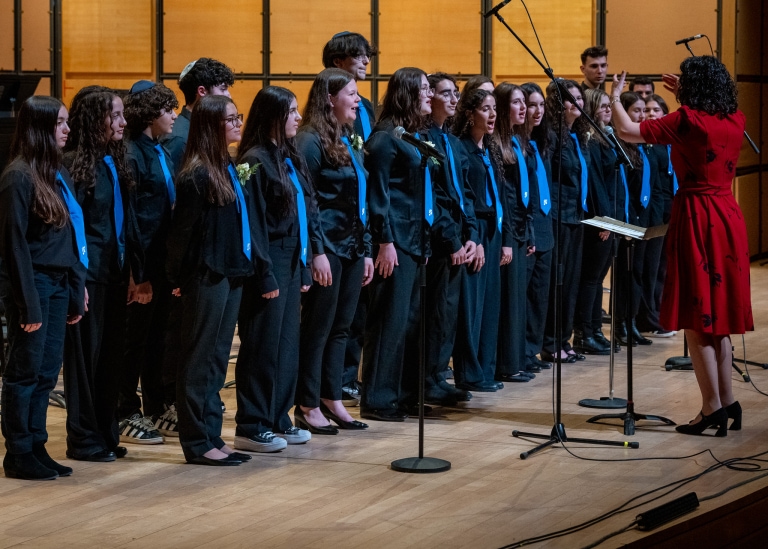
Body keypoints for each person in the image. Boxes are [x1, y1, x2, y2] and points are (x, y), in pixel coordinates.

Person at [610, 56, 753, 436]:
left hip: (698, 216)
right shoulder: (735, 118)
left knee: (696, 317)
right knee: (719, 319)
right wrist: (689, 94)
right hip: (728, 215)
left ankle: (710, 408)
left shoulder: (687, 120)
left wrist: (614, 98)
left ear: (690, 88)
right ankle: (727, 400)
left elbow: (626, 130)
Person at [166, 95, 258, 465]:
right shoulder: (197, 174)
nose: (238, 123)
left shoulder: (226, 165)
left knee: (218, 360)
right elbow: (181, 234)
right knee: (199, 358)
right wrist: (179, 277)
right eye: (231, 118)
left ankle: (212, 434)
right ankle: (195, 441)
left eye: (238, 116)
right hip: (206, 276)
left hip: (231, 272)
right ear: (211, 126)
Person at [0, 96, 86, 480]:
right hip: (32, 283)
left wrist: (75, 286)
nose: (67, 129)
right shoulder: (17, 176)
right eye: (60, 123)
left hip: (57, 282)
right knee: (24, 372)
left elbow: (69, 235)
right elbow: (13, 246)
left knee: (48, 372)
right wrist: (27, 303)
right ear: (39, 127)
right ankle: (18, 452)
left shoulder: (55, 172)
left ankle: (37, 444)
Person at [234, 86, 316, 450]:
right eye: (291, 112)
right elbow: (252, 224)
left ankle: (278, 417)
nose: (298, 117)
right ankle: (252, 424)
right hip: (268, 263)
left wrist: (305, 265)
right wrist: (264, 272)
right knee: (262, 346)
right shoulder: (254, 160)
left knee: (285, 347)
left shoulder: (287, 155)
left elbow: (303, 213)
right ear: (272, 117)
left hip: (292, 260)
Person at [62, 90, 139, 462]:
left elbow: (123, 225)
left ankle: (106, 433)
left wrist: (133, 274)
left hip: (114, 274)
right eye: (116, 116)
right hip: (88, 278)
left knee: (110, 359)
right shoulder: (72, 165)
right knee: (85, 362)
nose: (123, 122)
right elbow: (71, 230)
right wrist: (77, 282)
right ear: (95, 120)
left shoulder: (113, 160)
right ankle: (82, 438)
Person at [360, 67, 441, 420]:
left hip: (415, 240)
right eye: (424, 88)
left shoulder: (409, 136)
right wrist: (384, 240)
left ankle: (405, 394)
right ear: (407, 93)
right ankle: (378, 398)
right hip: (394, 241)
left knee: (410, 322)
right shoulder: (384, 139)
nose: (430, 94)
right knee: (388, 323)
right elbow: (378, 195)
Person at [294, 68, 373, 433]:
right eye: (351, 94)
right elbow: (307, 201)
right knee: (318, 329)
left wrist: (367, 248)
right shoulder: (309, 140)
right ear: (329, 98)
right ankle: (307, 403)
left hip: (352, 247)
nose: (358, 100)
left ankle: (331, 397)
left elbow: (359, 196)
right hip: (328, 248)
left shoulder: (346, 136)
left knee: (341, 328)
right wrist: (316, 252)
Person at [118, 80, 178, 444]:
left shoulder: (160, 150)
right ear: (149, 114)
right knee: (133, 341)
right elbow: (133, 220)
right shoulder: (132, 154)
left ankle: (156, 405)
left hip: (161, 261)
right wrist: (136, 275)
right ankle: (125, 409)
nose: (173, 116)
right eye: (167, 110)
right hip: (142, 264)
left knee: (156, 338)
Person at [323, 32, 378, 405]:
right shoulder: (326, 107)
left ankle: (348, 377)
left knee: (357, 311)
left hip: (363, 214)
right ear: (338, 61)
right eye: (359, 55)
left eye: (367, 55)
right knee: (334, 316)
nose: (366, 62)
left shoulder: (367, 106)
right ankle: (333, 383)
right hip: (336, 226)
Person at [424, 71, 477, 403]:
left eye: (456, 93)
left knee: (448, 312)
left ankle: (439, 374)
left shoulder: (452, 142)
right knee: (435, 312)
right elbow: (435, 196)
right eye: (447, 93)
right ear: (430, 98)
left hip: (459, 238)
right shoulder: (424, 139)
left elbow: (464, 193)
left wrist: (472, 234)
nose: (454, 98)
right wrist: (451, 239)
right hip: (440, 240)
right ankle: (427, 377)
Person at [452, 88, 509, 392]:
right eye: (485, 109)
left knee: (489, 304)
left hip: (493, 229)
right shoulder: (461, 148)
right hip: (475, 231)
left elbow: (500, 195)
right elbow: (465, 198)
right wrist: (474, 237)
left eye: (494, 109)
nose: (492, 114)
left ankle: (485, 369)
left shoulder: (489, 148)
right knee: (471, 307)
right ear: (470, 114)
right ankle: (469, 373)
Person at [541, 79, 589, 363]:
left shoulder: (577, 136)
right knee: (557, 282)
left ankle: (564, 338)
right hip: (558, 216)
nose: (578, 104)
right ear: (558, 105)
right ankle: (550, 342)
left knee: (571, 283)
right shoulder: (552, 136)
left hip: (577, 217)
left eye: (580, 98)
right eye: (571, 99)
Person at [572, 88, 622, 355]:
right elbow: (595, 184)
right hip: (598, 218)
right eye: (602, 106)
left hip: (609, 216)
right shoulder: (590, 141)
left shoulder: (605, 137)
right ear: (590, 109)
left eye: (608, 105)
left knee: (599, 277)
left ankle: (595, 331)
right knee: (591, 279)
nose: (607, 109)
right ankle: (584, 333)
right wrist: (604, 219)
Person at [493, 82, 536, 382]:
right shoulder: (497, 144)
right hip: (507, 230)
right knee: (508, 301)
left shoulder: (518, 141)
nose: (523, 108)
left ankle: (517, 359)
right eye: (516, 102)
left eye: (524, 102)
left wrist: (528, 230)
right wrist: (508, 237)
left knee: (518, 300)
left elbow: (524, 193)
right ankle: (506, 364)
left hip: (521, 229)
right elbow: (504, 197)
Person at [612, 91, 654, 348]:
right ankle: (619, 324)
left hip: (643, 217)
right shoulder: (619, 145)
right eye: (636, 111)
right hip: (627, 218)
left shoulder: (641, 144)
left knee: (637, 273)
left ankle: (632, 321)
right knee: (624, 275)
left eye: (643, 110)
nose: (642, 115)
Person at [520, 82, 555, 372]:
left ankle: (532, 350)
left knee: (540, 296)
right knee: (524, 296)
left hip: (545, 226)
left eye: (541, 105)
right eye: (532, 105)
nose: (537, 111)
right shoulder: (515, 143)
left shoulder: (539, 142)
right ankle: (519, 352)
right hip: (527, 227)